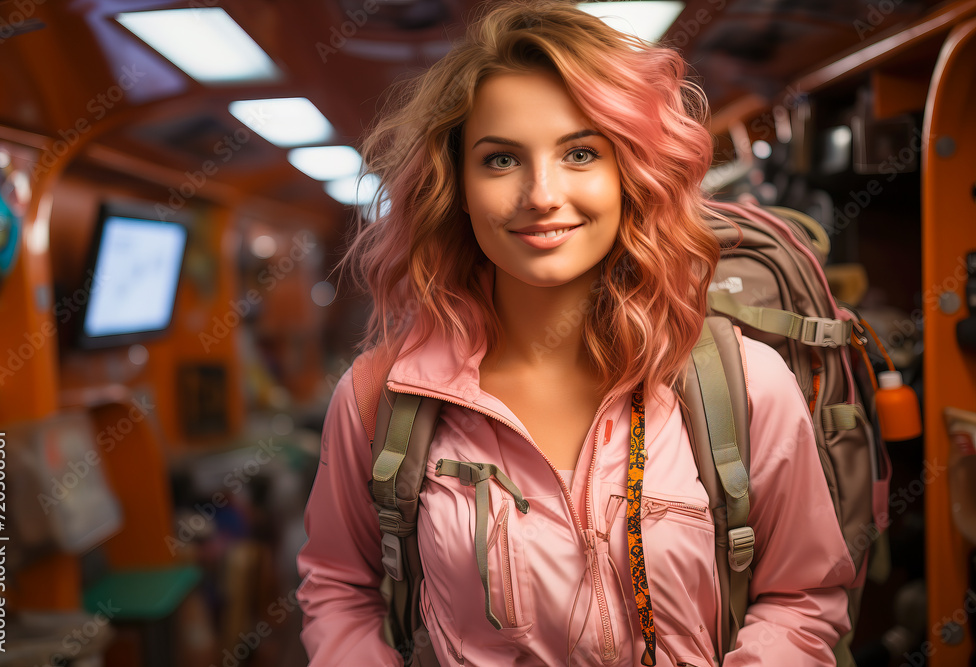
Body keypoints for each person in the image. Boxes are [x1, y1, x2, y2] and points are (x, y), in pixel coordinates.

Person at [297, 1, 856, 665]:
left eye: (580, 153)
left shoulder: (745, 385)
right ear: (458, 186)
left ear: (630, 174)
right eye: (501, 160)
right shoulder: (376, 400)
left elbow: (801, 596)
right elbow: (341, 587)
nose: (541, 193)